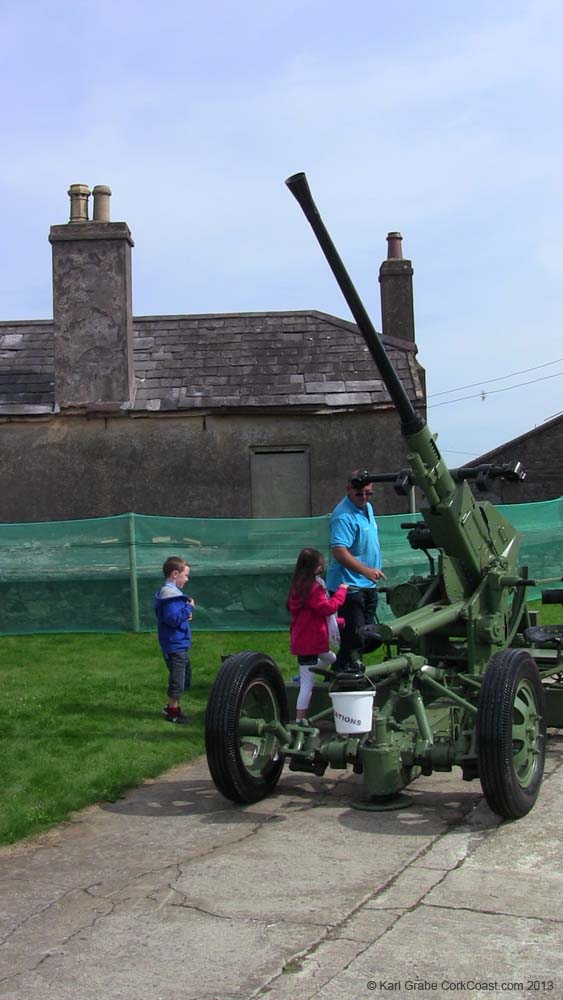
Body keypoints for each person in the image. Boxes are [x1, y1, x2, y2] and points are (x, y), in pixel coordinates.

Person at [326, 472, 386, 671]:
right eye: (360, 494)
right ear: (348, 490)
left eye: (369, 493)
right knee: (354, 638)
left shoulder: (367, 507)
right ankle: (345, 674)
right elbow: (339, 551)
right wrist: (366, 571)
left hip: (367, 584)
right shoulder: (343, 516)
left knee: (367, 637)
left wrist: (370, 574)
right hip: (349, 588)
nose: (365, 497)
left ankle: (348, 670)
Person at [287, 547, 348, 720]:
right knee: (307, 686)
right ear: (315, 568)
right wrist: (341, 592)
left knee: (331, 658)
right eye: (320, 565)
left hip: (306, 640)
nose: (322, 568)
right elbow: (327, 608)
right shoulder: (313, 588)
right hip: (310, 644)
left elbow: (315, 614)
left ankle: (304, 675)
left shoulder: (299, 585)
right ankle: (299, 720)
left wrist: (338, 622)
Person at [153, 556, 195, 724]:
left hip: (179, 643)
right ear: (175, 574)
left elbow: (174, 617)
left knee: (184, 676)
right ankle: (172, 711)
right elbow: (172, 619)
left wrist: (185, 614)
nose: (187, 579)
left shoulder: (173, 595)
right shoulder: (169, 596)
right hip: (174, 645)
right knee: (178, 679)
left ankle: (172, 707)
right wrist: (188, 608)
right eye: (185, 575)